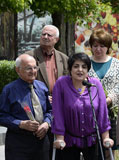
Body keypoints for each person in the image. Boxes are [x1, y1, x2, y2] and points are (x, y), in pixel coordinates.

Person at [51, 52, 114, 160]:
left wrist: (106, 138)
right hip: (68, 140)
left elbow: (102, 112)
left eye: (84, 67)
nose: (80, 70)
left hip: (92, 140)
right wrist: (60, 138)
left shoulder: (95, 84)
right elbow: (58, 112)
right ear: (70, 69)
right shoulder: (61, 84)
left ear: (88, 70)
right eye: (76, 66)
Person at [25, 24, 69, 159]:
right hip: (39, 110)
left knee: (60, 150)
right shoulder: (29, 57)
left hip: (61, 109)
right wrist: (44, 98)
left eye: (49, 35)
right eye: (43, 34)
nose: (45, 37)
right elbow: (25, 82)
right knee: (42, 151)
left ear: (56, 39)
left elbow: (68, 83)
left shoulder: (64, 58)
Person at [0, 54, 52, 160]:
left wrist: (46, 123)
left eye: (35, 67)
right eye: (28, 68)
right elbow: (1, 115)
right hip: (19, 144)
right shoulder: (9, 90)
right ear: (18, 70)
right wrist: (20, 124)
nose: (33, 71)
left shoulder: (42, 87)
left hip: (42, 142)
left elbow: (50, 110)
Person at [88, 28, 119, 159]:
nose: (98, 49)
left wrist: (108, 99)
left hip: (111, 112)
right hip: (89, 111)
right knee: (91, 149)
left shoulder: (116, 63)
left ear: (108, 47)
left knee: (109, 148)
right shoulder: (86, 63)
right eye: (95, 46)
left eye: (102, 46)